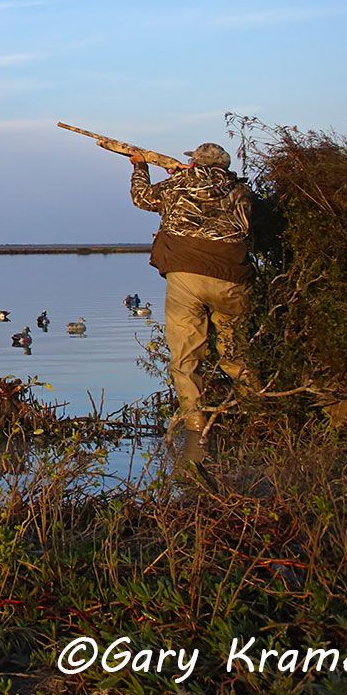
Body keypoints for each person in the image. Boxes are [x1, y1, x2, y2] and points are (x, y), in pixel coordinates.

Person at [125, 141, 255, 465]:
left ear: (195, 163)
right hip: (232, 277)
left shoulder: (180, 184)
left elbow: (141, 199)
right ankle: (259, 414)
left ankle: (195, 430)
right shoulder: (240, 192)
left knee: (185, 356)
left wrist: (140, 166)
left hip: (186, 277)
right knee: (236, 354)